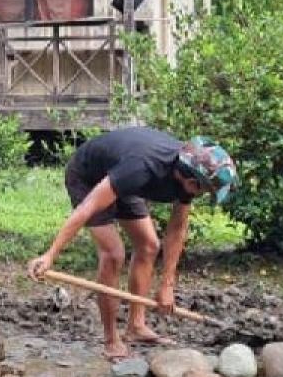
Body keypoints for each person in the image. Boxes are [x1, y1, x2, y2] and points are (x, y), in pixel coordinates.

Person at [28, 128, 238, 359]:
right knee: (113, 254)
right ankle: (111, 339)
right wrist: (50, 255)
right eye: (207, 190)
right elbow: (87, 207)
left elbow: (177, 228)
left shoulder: (186, 172)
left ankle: (136, 327)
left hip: (120, 176)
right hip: (88, 178)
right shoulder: (143, 166)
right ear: (192, 183)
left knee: (149, 245)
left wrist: (167, 284)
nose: (206, 195)